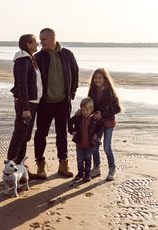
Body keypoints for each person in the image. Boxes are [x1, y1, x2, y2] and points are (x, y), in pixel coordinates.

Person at [34, 28, 79, 178]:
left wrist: (71, 94)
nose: (41, 42)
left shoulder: (67, 54)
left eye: (43, 39)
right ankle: (40, 164)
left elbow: (75, 73)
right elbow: (33, 79)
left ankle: (63, 164)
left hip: (63, 103)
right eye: (40, 39)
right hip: (45, 103)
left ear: (52, 38)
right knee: (41, 134)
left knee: (62, 134)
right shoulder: (38, 57)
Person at [7, 34, 43, 170]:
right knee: (19, 135)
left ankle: (20, 167)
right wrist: (25, 107)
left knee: (25, 136)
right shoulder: (22, 60)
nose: (37, 44)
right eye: (35, 42)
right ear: (28, 44)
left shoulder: (29, 59)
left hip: (32, 102)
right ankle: (10, 167)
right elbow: (22, 85)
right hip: (26, 103)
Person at [88, 68, 121, 181]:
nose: (97, 80)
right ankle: (96, 168)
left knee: (107, 147)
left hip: (108, 123)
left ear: (105, 79)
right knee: (94, 146)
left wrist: (102, 114)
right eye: (95, 78)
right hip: (97, 124)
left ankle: (112, 168)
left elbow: (117, 109)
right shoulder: (92, 91)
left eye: (100, 78)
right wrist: (82, 111)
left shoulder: (110, 92)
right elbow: (89, 105)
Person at [68, 97, 103, 181]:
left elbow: (101, 128)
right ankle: (80, 173)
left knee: (88, 159)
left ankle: (87, 175)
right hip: (79, 143)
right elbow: (69, 122)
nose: (85, 112)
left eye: (87, 110)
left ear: (92, 110)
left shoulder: (94, 119)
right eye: (83, 110)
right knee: (79, 160)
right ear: (80, 109)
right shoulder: (78, 117)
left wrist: (96, 135)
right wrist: (71, 131)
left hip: (89, 144)